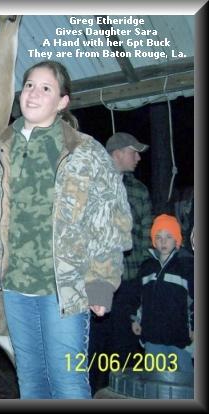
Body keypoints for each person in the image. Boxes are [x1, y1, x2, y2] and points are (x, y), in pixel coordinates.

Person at [0, 60, 133, 399]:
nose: (33, 93)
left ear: (62, 102)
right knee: (32, 383)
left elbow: (111, 220)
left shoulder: (86, 152)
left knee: (68, 384)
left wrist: (100, 283)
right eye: (29, 86)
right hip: (15, 288)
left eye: (45, 88)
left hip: (65, 290)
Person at [89, 132, 153, 393]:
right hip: (96, 281)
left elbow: (148, 236)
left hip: (128, 282)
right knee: (94, 342)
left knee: (125, 343)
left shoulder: (138, 190)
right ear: (116, 153)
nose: (138, 157)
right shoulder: (90, 183)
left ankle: (124, 394)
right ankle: (92, 392)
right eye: (133, 151)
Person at [131, 214, 194, 372]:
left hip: (180, 338)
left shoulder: (186, 268)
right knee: (155, 380)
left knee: (185, 382)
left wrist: (194, 327)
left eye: (168, 236)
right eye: (158, 237)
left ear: (177, 240)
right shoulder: (147, 268)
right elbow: (138, 299)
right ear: (153, 240)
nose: (163, 241)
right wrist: (136, 320)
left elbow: (193, 301)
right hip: (153, 336)